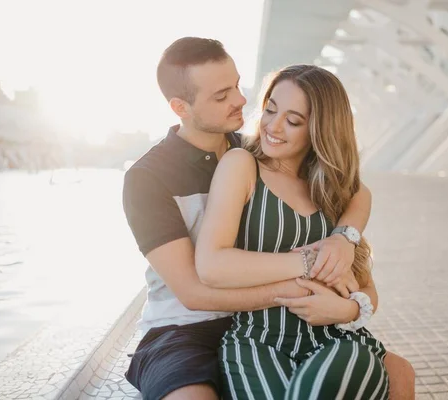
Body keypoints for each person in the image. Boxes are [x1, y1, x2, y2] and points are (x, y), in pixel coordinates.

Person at [122, 37, 415, 400]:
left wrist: (343, 237)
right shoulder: (147, 178)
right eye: (221, 95)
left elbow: (352, 189)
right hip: (184, 328)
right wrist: (305, 278)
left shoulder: (252, 146)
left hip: (265, 323)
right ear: (180, 107)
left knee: (399, 373)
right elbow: (194, 291)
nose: (241, 100)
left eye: (236, 85)